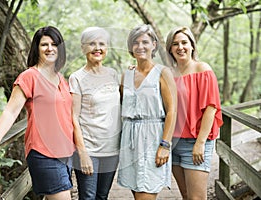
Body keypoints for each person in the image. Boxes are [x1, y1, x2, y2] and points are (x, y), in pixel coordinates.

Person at [0, 26, 76, 200]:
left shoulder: (60, 78)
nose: (50, 48)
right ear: (37, 48)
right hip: (44, 153)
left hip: (65, 153)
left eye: (54, 44)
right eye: (44, 44)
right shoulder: (29, 76)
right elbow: (11, 111)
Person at [117, 24, 177, 200]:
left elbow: (172, 110)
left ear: (154, 45)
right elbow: (122, 106)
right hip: (129, 139)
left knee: (145, 194)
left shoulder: (163, 73)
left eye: (145, 42)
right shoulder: (125, 75)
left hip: (152, 137)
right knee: (137, 193)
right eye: (135, 42)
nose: (140, 46)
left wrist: (165, 145)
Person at [165, 26, 223, 199]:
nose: (180, 47)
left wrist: (200, 143)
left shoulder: (202, 69)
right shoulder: (168, 74)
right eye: (175, 44)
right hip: (174, 143)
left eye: (184, 42)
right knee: (185, 195)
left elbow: (211, 108)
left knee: (196, 198)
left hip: (196, 142)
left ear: (192, 45)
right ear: (170, 49)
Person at [69, 27, 121, 200]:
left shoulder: (114, 74)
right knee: (88, 197)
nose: (97, 48)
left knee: (102, 196)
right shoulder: (76, 78)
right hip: (89, 149)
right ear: (83, 48)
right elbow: (73, 118)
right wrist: (82, 153)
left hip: (112, 150)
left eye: (101, 44)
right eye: (92, 43)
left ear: (107, 48)